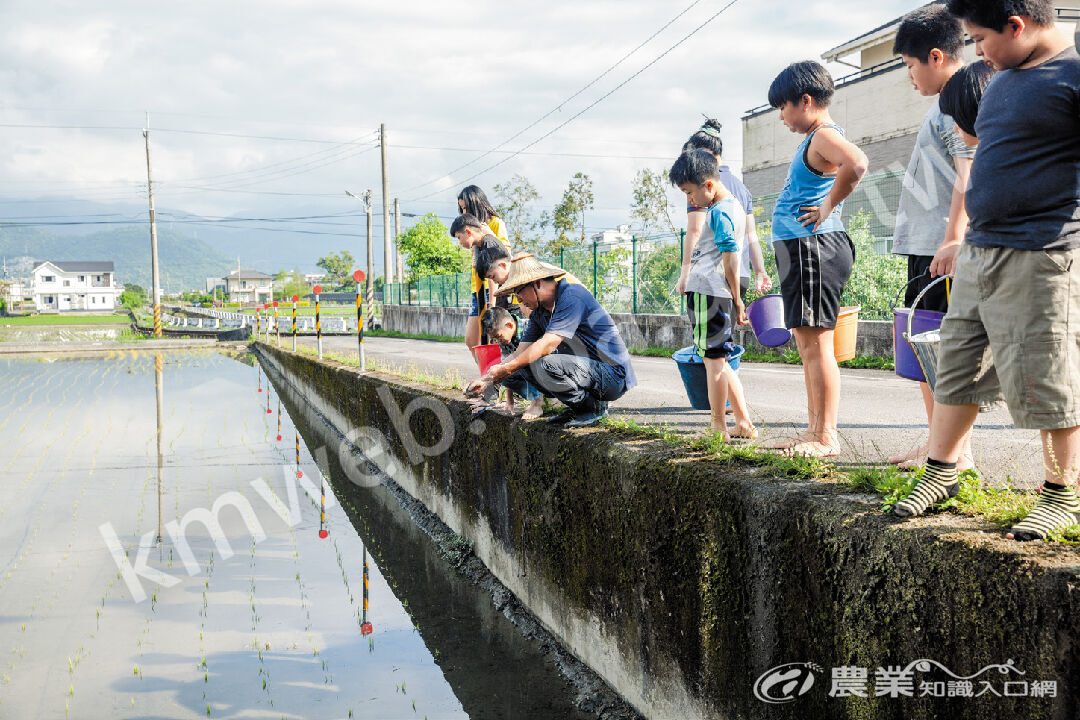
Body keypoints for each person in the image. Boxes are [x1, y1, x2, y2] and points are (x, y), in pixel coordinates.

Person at [893, 0, 1080, 543]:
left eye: (978, 39)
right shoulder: (1000, 81)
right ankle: (941, 473)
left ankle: (1062, 493)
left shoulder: (1071, 78)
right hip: (982, 250)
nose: (976, 51)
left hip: (1043, 252)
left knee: (1045, 373)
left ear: (1016, 26)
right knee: (956, 363)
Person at [887, 4, 978, 471]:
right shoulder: (949, 100)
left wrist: (952, 240)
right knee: (926, 349)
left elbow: (969, 171)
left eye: (909, 65)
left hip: (937, 250)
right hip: (928, 245)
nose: (909, 75)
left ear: (937, 56)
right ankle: (939, 448)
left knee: (937, 349)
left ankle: (953, 457)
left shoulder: (955, 100)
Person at [765, 60, 869, 457]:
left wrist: (827, 206)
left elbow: (857, 163)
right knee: (808, 345)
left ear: (805, 101)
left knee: (817, 346)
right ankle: (814, 431)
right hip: (802, 250)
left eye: (783, 107)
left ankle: (826, 436)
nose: (782, 117)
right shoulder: (816, 138)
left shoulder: (823, 135)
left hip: (814, 249)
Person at [466, 254, 636, 428]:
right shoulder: (540, 313)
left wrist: (507, 368)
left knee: (544, 363)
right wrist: (488, 379)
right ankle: (579, 407)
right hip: (586, 371)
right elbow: (520, 352)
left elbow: (548, 343)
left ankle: (592, 408)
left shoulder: (572, 295)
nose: (519, 300)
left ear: (537, 284)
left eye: (519, 293)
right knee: (517, 368)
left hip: (613, 375)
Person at [669, 149, 757, 440]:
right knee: (718, 358)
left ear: (709, 185)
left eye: (689, 192)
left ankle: (718, 427)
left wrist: (737, 297)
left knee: (714, 363)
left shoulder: (720, 211)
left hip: (709, 291)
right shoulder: (729, 207)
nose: (689, 200)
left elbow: (731, 256)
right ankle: (742, 421)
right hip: (713, 292)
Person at [677, 118, 771, 304]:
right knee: (725, 332)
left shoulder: (701, 185)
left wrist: (685, 272)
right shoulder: (741, 188)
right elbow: (751, 235)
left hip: (711, 278)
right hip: (740, 275)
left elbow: (695, 231)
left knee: (706, 333)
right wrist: (760, 271)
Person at [450, 213, 512, 352]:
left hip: (505, 297)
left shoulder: (488, 244)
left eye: (459, 238)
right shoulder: (484, 243)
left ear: (468, 231)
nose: (460, 243)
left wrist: (492, 305)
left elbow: (493, 277)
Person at [477, 306, 545, 420]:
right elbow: (506, 369)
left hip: (547, 368)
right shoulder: (504, 340)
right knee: (502, 371)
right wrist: (510, 400)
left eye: (498, 336)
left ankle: (537, 404)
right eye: (493, 339)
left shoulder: (530, 328)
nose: (497, 341)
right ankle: (536, 397)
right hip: (532, 375)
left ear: (509, 325)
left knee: (525, 362)